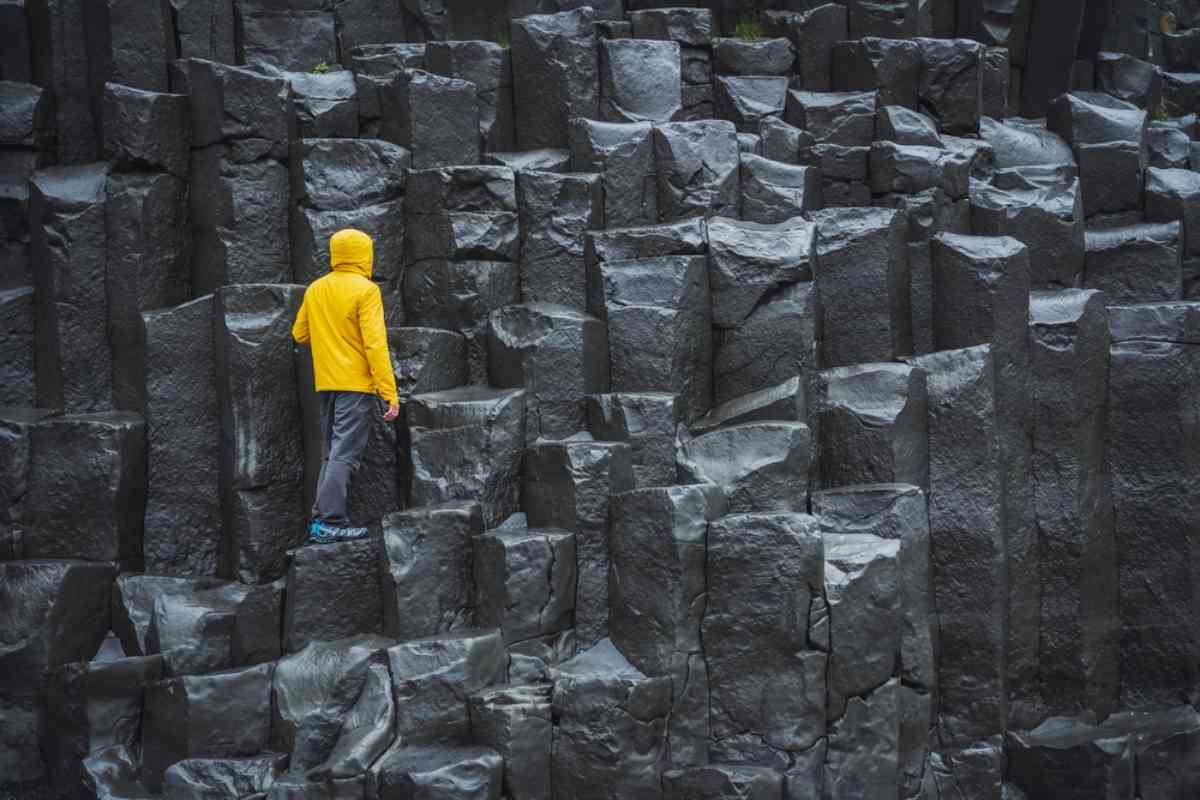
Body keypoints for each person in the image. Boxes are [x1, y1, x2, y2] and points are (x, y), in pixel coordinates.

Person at [292, 228, 398, 543]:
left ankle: (320, 521)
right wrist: (389, 392)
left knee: (331, 453)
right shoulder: (366, 290)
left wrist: (329, 334)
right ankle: (331, 521)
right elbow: (375, 344)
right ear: (364, 254)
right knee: (345, 454)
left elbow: (299, 334)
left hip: (326, 385)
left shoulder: (316, 289)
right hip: (356, 386)